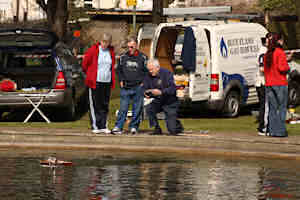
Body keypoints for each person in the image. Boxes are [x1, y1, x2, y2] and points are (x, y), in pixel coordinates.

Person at [112, 36, 148, 134]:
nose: (130, 49)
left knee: (137, 109)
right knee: (123, 108)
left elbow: (146, 72)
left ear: (136, 46)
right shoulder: (123, 57)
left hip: (138, 87)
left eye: (132, 47)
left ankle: (134, 127)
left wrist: (143, 83)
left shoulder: (143, 57)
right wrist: (121, 80)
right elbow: (118, 70)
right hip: (126, 87)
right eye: (128, 47)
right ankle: (118, 126)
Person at [82, 33, 116, 134]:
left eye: (107, 42)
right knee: (95, 104)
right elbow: (85, 64)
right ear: (100, 41)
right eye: (104, 42)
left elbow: (112, 64)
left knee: (104, 104)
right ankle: (95, 125)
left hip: (107, 81)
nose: (105, 44)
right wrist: (89, 74)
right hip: (95, 81)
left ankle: (103, 125)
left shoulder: (111, 51)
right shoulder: (93, 50)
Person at [143, 58, 184, 136]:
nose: (150, 71)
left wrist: (161, 92)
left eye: (152, 69)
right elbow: (144, 88)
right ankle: (156, 128)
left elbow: (172, 89)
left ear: (157, 67)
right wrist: (145, 93)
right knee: (149, 108)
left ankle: (176, 124)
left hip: (170, 102)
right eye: (149, 70)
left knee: (172, 131)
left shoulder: (167, 73)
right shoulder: (147, 75)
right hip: (158, 101)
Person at [264, 33, 290, 137]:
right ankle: (280, 131)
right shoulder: (280, 52)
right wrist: (288, 68)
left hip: (269, 83)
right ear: (278, 41)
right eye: (282, 40)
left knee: (273, 109)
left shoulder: (267, 54)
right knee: (281, 108)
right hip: (280, 83)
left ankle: (272, 130)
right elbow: (282, 68)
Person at [256, 33, 272, 136]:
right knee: (264, 106)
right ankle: (262, 128)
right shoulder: (263, 52)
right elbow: (262, 69)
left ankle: (264, 127)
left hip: (264, 82)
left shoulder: (267, 51)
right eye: (270, 40)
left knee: (265, 106)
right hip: (262, 82)